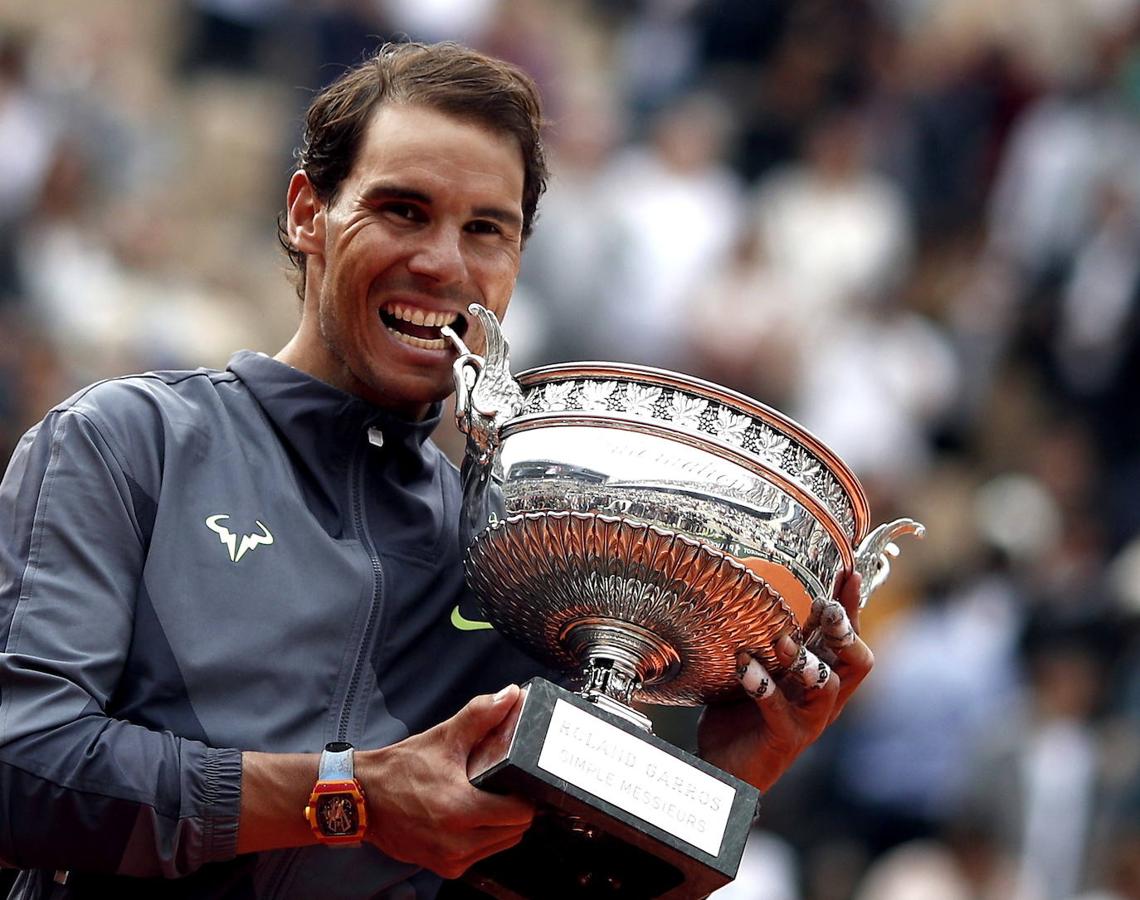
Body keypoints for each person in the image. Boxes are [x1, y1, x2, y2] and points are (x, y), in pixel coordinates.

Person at [0, 41, 873, 899]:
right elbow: (19, 768)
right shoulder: (127, 445)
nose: (443, 264)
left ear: (517, 261)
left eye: (484, 229)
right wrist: (346, 798)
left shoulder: (515, 562)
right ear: (310, 212)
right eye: (403, 210)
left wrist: (709, 784)